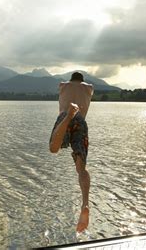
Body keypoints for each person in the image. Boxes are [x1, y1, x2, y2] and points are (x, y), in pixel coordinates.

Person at [49, 71, 94, 233]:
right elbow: (87, 88)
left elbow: (62, 87)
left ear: (71, 80)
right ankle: (85, 204)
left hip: (65, 116)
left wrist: (68, 116)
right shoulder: (89, 88)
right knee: (81, 169)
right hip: (81, 121)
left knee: (54, 149)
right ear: (82, 80)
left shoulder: (63, 85)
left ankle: (68, 116)